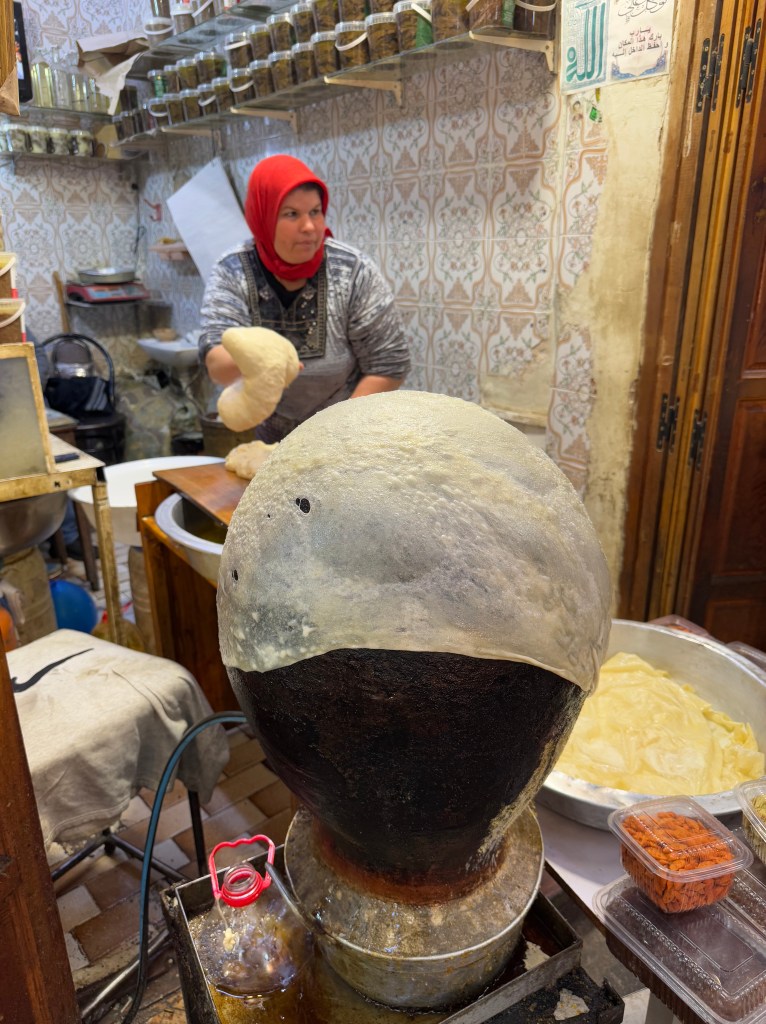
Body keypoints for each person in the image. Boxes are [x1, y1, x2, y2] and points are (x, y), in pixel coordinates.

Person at [200, 154, 410, 442]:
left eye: (315, 212)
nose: (309, 226)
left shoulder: (352, 271)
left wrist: (334, 434)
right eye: (291, 214)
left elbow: (389, 364)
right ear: (263, 217)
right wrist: (269, 363)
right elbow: (217, 362)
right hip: (270, 442)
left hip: (347, 437)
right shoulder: (233, 270)